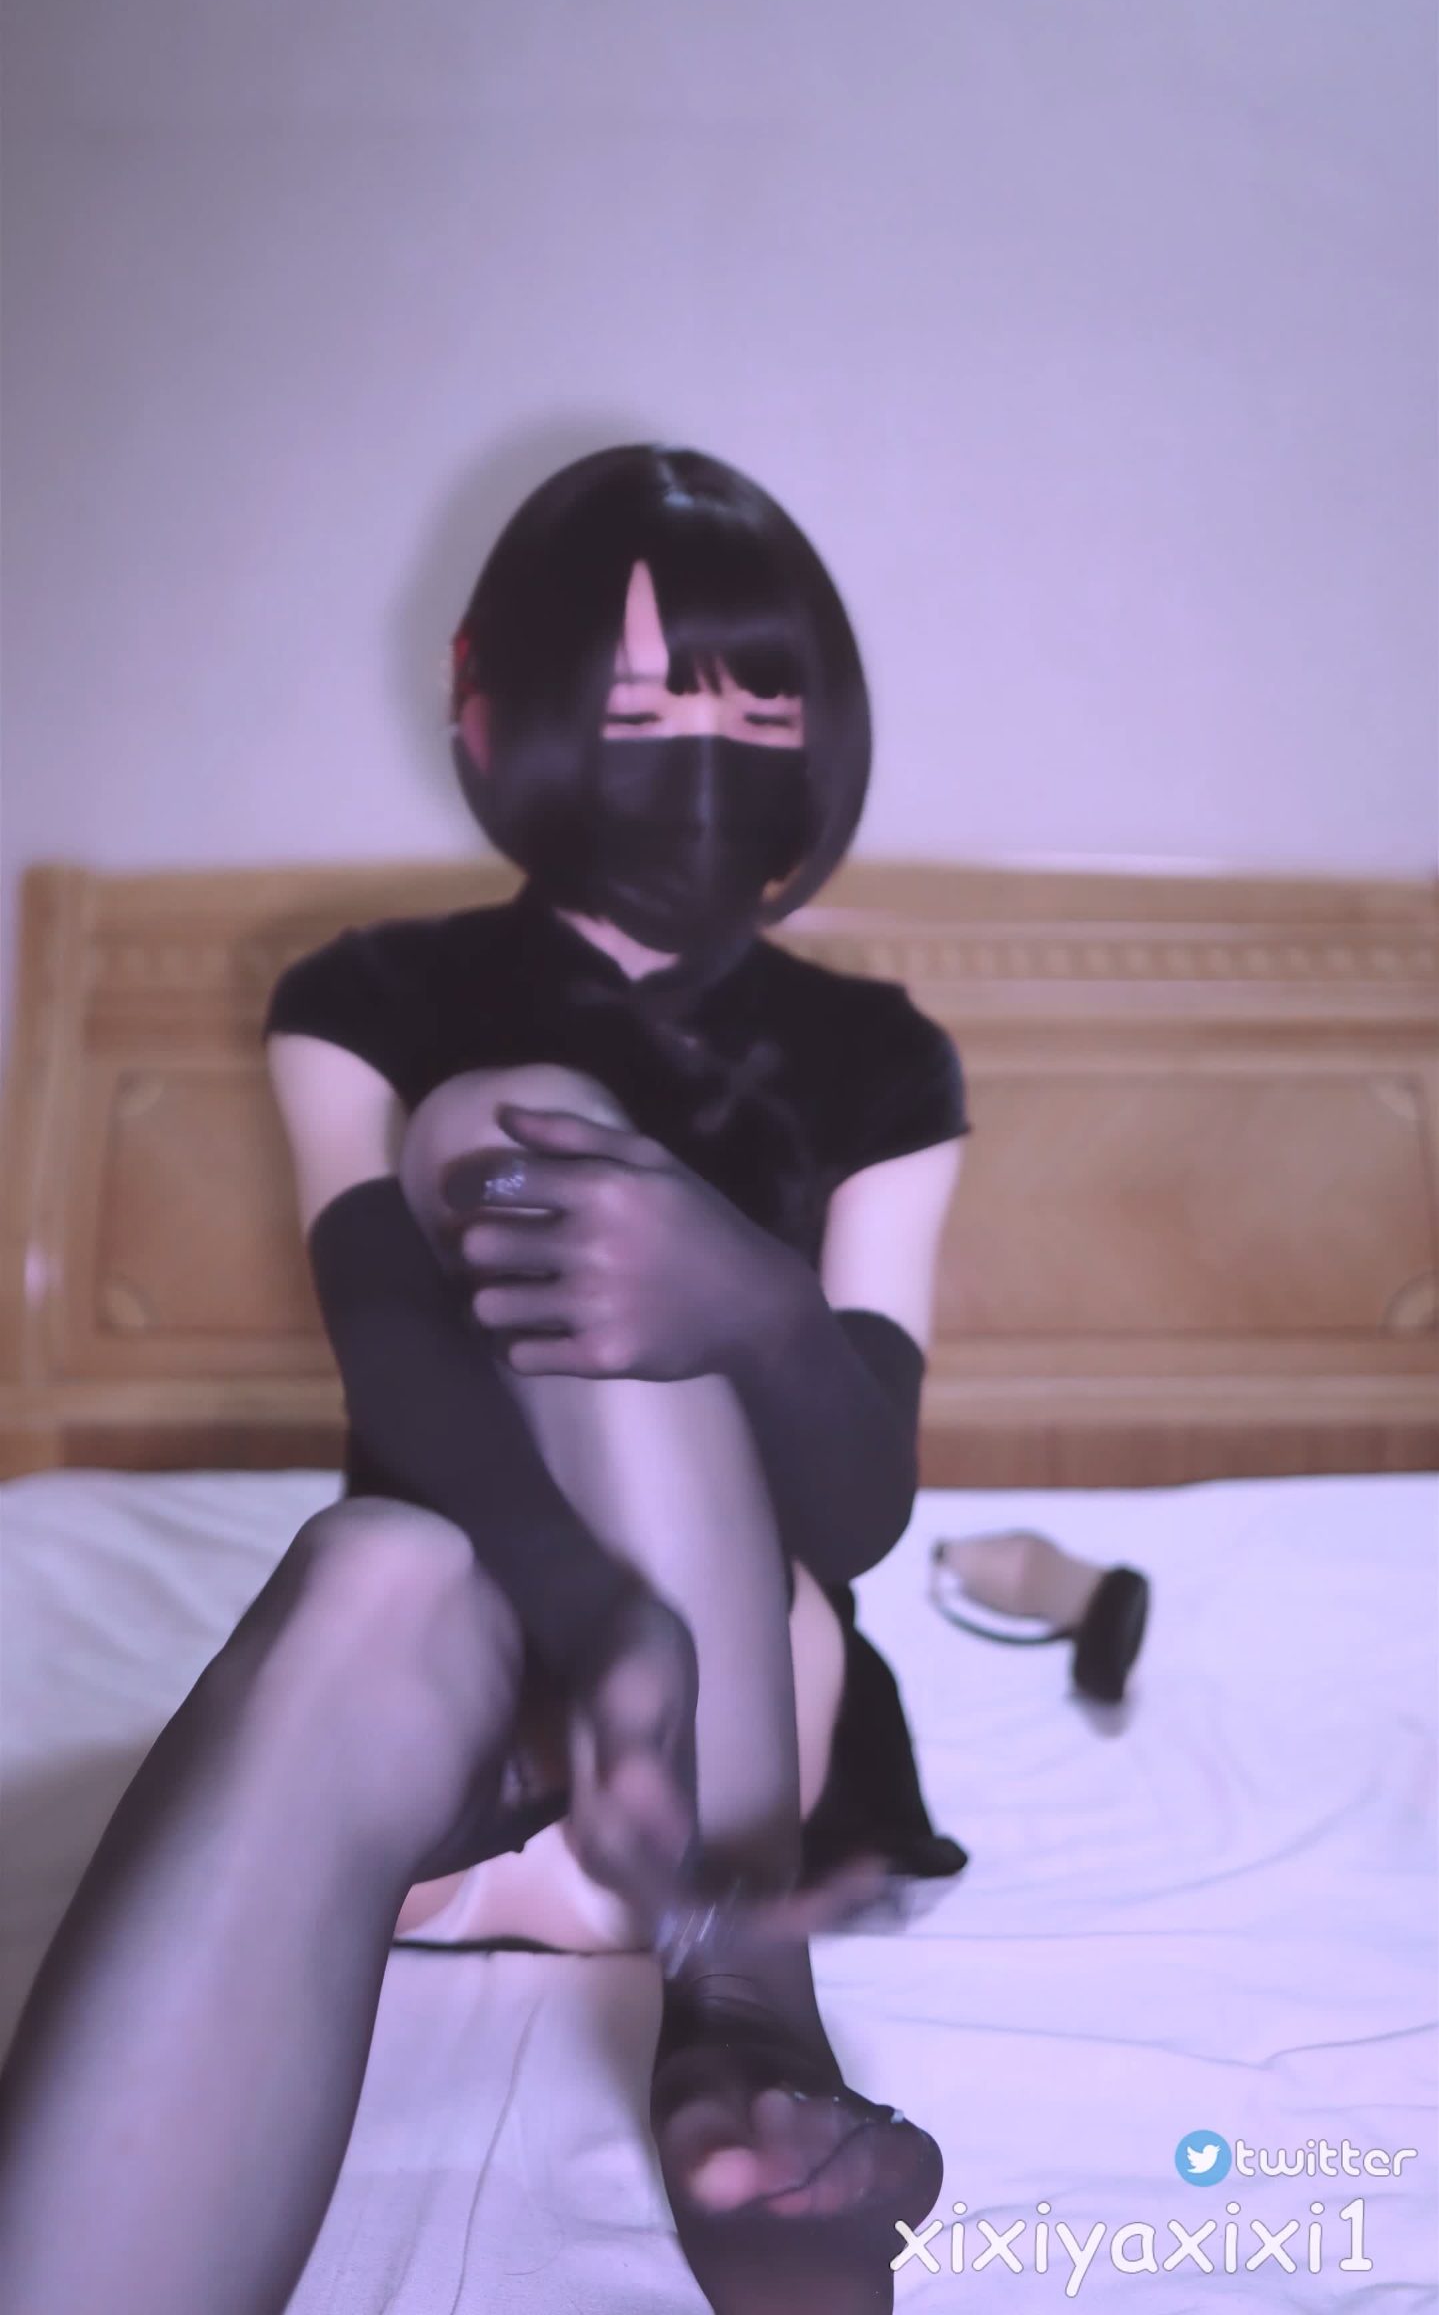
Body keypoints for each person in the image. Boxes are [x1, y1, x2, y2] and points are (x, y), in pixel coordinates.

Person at [0, 443, 1108, 2315]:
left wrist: (752, 1308)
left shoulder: (879, 1059)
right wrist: (585, 1612)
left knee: (517, 1182)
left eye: (760, 710)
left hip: (743, 1729)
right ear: (487, 708)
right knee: (388, 1534)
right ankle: (746, 2059)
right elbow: (385, 1333)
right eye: (643, 705)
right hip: (475, 1689)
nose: (706, 754)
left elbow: (859, 1512)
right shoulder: (363, 992)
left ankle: (743, 2000)